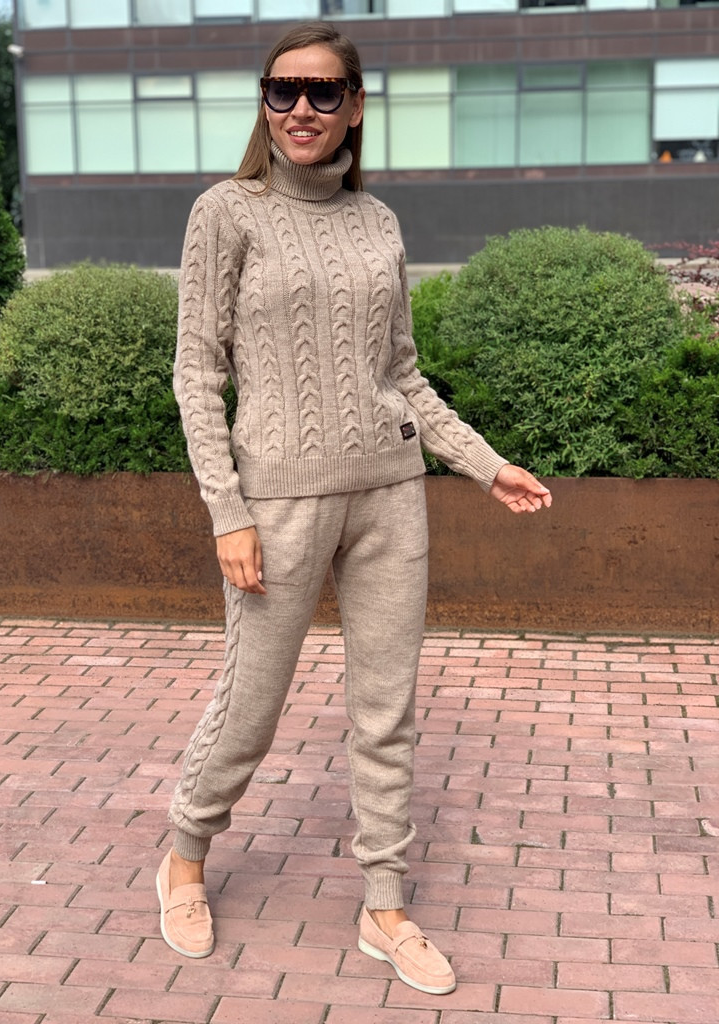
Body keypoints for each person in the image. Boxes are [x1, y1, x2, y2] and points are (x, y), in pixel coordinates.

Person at [157, 21, 552, 996]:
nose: (301, 108)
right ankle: (185, 854)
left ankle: (385, 904)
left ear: (356, 106)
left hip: (388, 493)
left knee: (386, 712)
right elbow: (196, 374)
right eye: (282, 90)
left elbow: (402, 374)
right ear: (264, 102)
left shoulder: (377, 221)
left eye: (323, 92)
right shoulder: (226, 212)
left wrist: (484, 464)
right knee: (251, 704)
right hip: (277, 505)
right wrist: (227, 510)